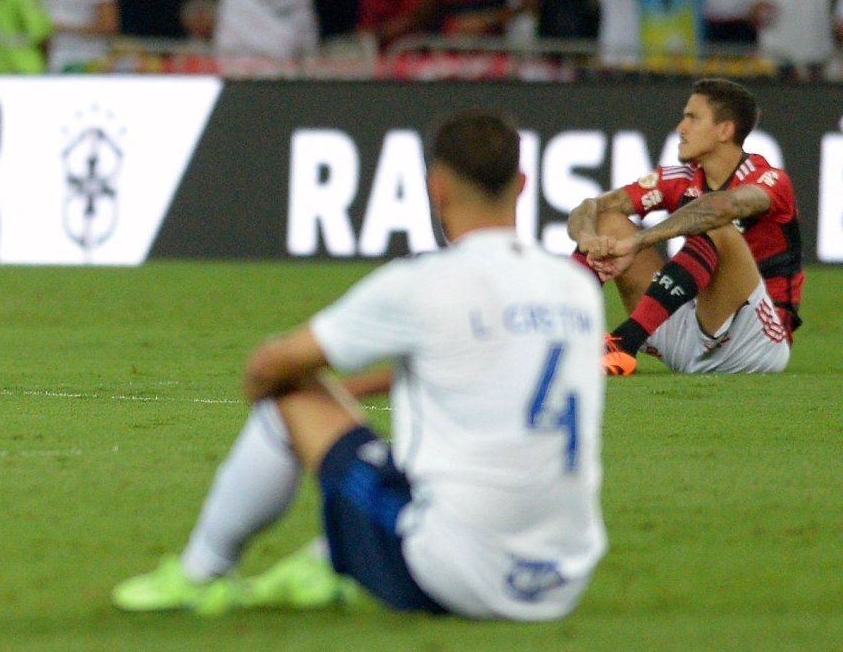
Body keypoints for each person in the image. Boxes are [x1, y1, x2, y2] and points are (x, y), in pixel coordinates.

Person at [114, 111, 606, 622]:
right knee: (443, 458)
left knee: (289, 398)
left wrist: (305, 390)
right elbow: (488, 367)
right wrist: (350, 390)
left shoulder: (424, 282)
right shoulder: (573, 286)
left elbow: (268, 368)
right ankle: (327, 562)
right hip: (562, 579)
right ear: (523, 185)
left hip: (455, 576)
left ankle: (200, 573)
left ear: (437, 190)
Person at [568, 79, 797, 376]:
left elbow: (721, 208)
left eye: (693, 118)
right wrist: (589, 239)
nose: (681, 128)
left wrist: (638, 243)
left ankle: (624, 342)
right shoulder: (680, 178)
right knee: (607, 220)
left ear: (725, 131)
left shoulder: (770, 180)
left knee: (717, 224)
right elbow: (589, 208)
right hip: (688, 331)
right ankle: (560, 335)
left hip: (755, 342)